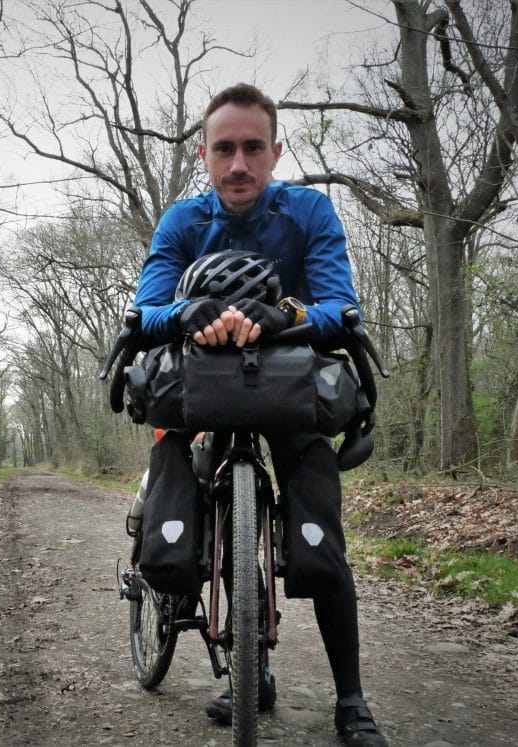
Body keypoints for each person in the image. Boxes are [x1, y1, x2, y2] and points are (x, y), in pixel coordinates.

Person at [131, 82, 388, 747]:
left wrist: (286, 316)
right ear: (204, 154)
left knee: (320, 535)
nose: (238, 164)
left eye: (252, 148)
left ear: (275, 151)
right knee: (180, 505)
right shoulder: (182, 222)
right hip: (202, 382)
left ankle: (352, 702)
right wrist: (193, 314)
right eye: (225, 149)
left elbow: (341, 305)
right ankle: (249, 663)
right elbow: (146, 311)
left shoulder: (308, 212)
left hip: (288, 379)